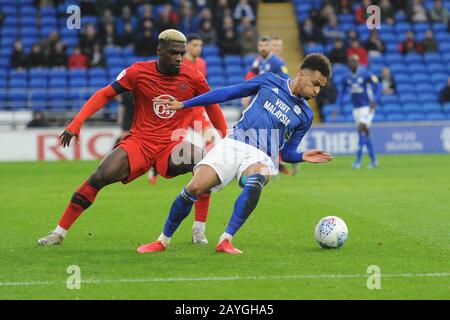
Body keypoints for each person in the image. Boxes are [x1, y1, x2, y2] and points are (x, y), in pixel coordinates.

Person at [37, 29, 227, 247]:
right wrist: (77, 122)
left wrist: (223, 137)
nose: (178, 58)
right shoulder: (137, 72)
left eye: (181, 53)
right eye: (173, 52)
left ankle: (198, 230)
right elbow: (104, 94)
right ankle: (58, 233)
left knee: (202, 162)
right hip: (140, 142)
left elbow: (211, 103)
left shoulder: (192, 76)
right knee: (99, 176)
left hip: (172, 144)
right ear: (159, 51)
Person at [137, 53, 333, 254]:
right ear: (302, 74)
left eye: (320, 87)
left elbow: (288, 153)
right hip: (233, 143)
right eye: (315, 83)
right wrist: (186, 103)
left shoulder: (306, 115)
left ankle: (226, 239)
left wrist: (302, 156)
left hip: (261, 156)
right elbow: (231, 92)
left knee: (257, 178)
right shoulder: (269, 81)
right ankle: (162, 241)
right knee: (194, 188)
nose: (317, 90)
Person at [336, 55, 381, 169]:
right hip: (356, 109)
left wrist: (374, 100)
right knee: (365, 134)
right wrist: (337, 106)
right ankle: (374, 161)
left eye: (354, 61)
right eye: (350, 62)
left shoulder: (366, 73)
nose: (352, 64)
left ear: (358, 62)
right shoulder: (346, 77)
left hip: (367, 107)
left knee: (361, 129)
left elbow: (378, 86)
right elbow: (341, 92)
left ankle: (358, 161)